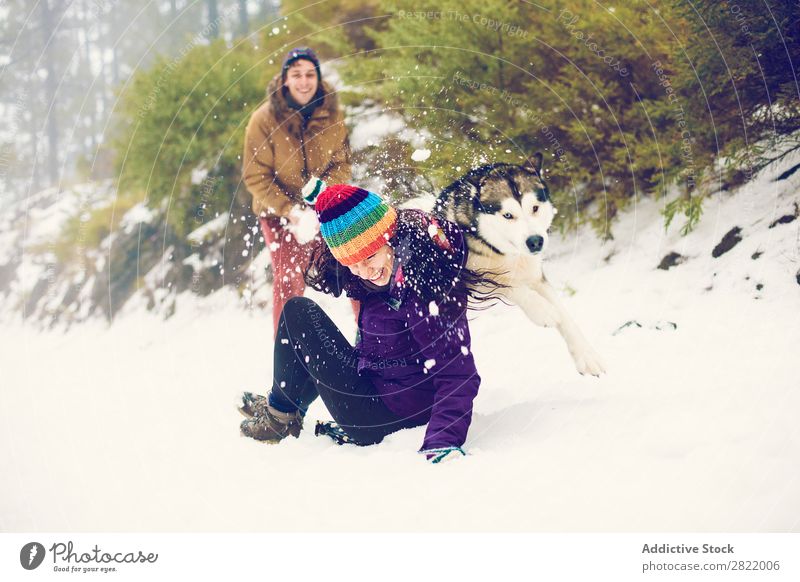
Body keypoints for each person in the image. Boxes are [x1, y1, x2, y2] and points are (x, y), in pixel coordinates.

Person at [239, 179, 503, 463]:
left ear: (389, 237)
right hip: (383, 384)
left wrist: (443, 439)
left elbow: (459, 373)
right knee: (308, 326)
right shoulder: (391, 260)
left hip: (384, 414)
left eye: (370, 257)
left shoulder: (425, 285)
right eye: (352, 263)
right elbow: (353, 243)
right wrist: (326, 203)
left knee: (298, 313)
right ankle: (283, 408)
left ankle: (279, 416)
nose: (364, 271)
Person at [242, 47, 352, 337]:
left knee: (355, 266)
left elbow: (341, 163)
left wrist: (322, 197)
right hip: (277, 211)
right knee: (290, 278)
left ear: (317, 76)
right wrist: (291, 211)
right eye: (296, 75)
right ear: (284, 80)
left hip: (323, 205)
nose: (304, 81)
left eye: (309, 74)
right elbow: (255, 175)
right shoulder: (263, 120)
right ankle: (288, 357)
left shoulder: (332, 113)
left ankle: (372, 345)